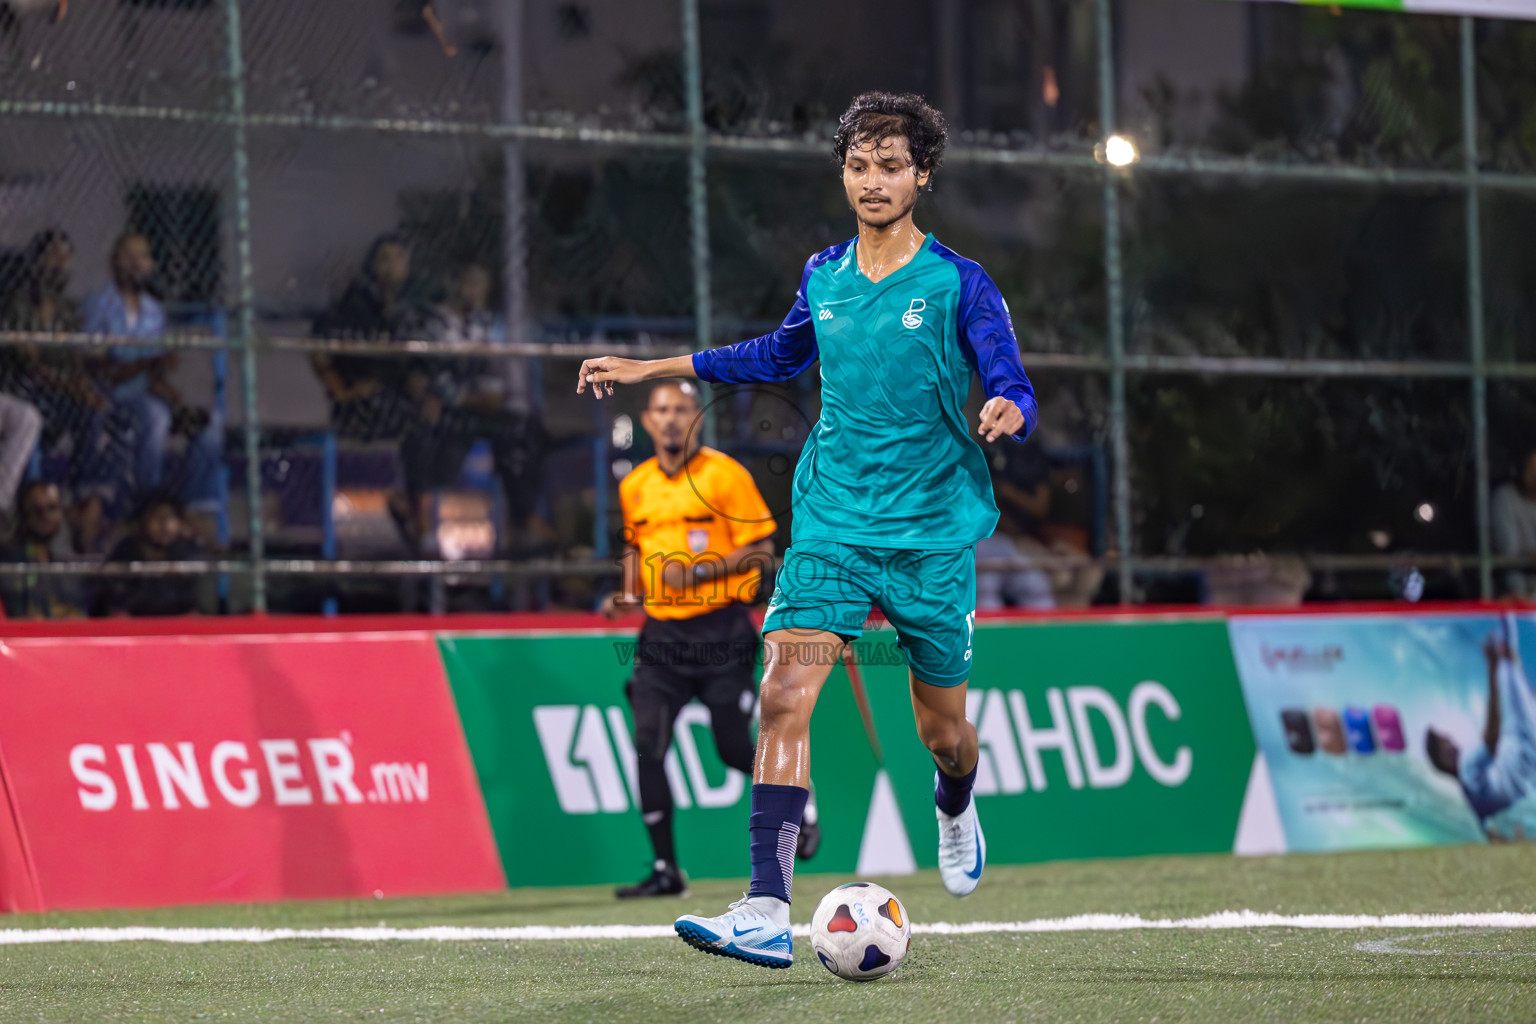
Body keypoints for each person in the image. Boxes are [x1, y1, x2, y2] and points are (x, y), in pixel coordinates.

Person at [576, 91, 1036, 967]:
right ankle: (763, 905)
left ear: (921, 175)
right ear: (845, 173)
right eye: (859, 165)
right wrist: (654, 364)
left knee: (944, 730)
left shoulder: (958, 283)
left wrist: (1010, 405)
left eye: (891, 165)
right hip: (832, 522)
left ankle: (954, 799)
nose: (873, 181)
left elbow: (1008, 372)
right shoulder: (823, 276)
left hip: (932, 534)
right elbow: (775, 355)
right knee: (785, 692)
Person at [605, 380, 817, 899]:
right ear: (649, 421)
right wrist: (626, 592)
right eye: (662, 410)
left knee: (729, 747)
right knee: (647, 744)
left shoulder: (725, 476)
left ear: (697, 416)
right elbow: (637, 548)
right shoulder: (635, 485)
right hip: (662, 637)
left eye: (681, 408)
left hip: (721, 629)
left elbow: (763, 551)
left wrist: (694, 575)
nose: (672, 418)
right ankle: (665, 869)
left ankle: (801, 798)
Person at [400, 262, 548, 555]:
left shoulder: (488, 325)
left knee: (523, 432)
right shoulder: (435, 323)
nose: (472, 291)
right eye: (467, 282)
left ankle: (522, 519)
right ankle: (418, 515)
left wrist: (487, 395)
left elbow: (493, 372)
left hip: (476, 405)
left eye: (480, 284)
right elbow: (429, 373)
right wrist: (463, 397)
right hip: (448, 407)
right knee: (427, 434)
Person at [80, 232, 224, 522]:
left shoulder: (153, 312)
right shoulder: (98, 304)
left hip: (145, 392)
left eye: (143, 256)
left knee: (210, 422)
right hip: (110, 396)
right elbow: (97, 365)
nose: (136, 264)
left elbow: (153, 373)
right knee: (155, 416)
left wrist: (178, 401)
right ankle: (148, 501)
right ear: (114, 262)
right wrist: (148, 363)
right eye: (129, 257)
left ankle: (198, 506)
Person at [0, 229, 119, 550]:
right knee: (40, 409)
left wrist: (85, 389)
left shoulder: (66, 309)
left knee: (99, 412)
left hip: (59, 392)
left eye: (65, 258)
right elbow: (30, 363)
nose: (60, 264)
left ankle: (85, 497)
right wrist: (71, 388)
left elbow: (74, 361)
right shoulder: (18, 302)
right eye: (53, 256)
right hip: (25, 385)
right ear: (36, 261)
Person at [1428, 617, 1536, 828]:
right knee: (1507, 654)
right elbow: (1492, 736)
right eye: (1446, 744)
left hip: (1526, 760)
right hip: (1523, 745)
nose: (1453, 743)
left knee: (1512, 667)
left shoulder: (1471, 799)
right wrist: (1492, 668)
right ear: (1441, 762)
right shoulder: (1467, 770)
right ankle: (1505, 603)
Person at [91, 491, 201, 617]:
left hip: (173, 624)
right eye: (158, 518)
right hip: (135, 623)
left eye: (171, 518)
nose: (165, 525)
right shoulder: (126, 551)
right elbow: (114, 600)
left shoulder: (183, 553)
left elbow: (191, 603)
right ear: (143, 520)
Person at [0, 480, 86, 619]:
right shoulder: (9, 557)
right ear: (25, 514)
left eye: (52, 508)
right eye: (38, 510)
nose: (46, 517)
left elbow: (76, 602)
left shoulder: (73, 551)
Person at [1492, 448, 1536, 598]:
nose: (1534, 475)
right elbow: (1509, 555)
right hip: (1518, 598)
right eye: (1530, 469)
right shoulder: (1505, 498)